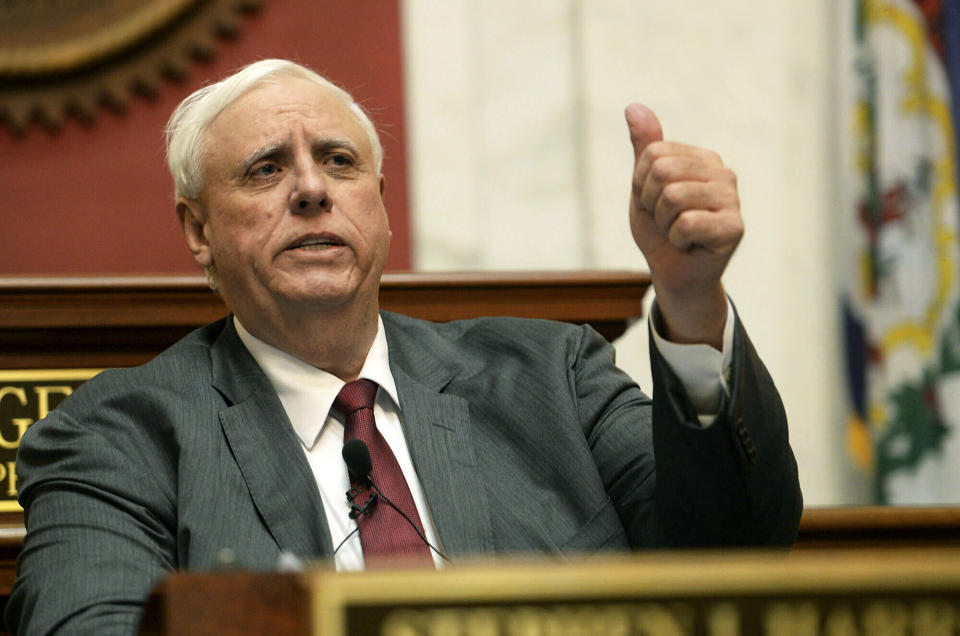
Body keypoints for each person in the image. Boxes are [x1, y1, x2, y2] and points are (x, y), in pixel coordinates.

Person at [5, 59, 801, 634]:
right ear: (198, 230)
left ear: (380, 209)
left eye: (339, 161)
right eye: (265, 169)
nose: (311, 188)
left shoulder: (551, 377)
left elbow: (739, 551)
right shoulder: (116, 437)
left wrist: (691, 300)